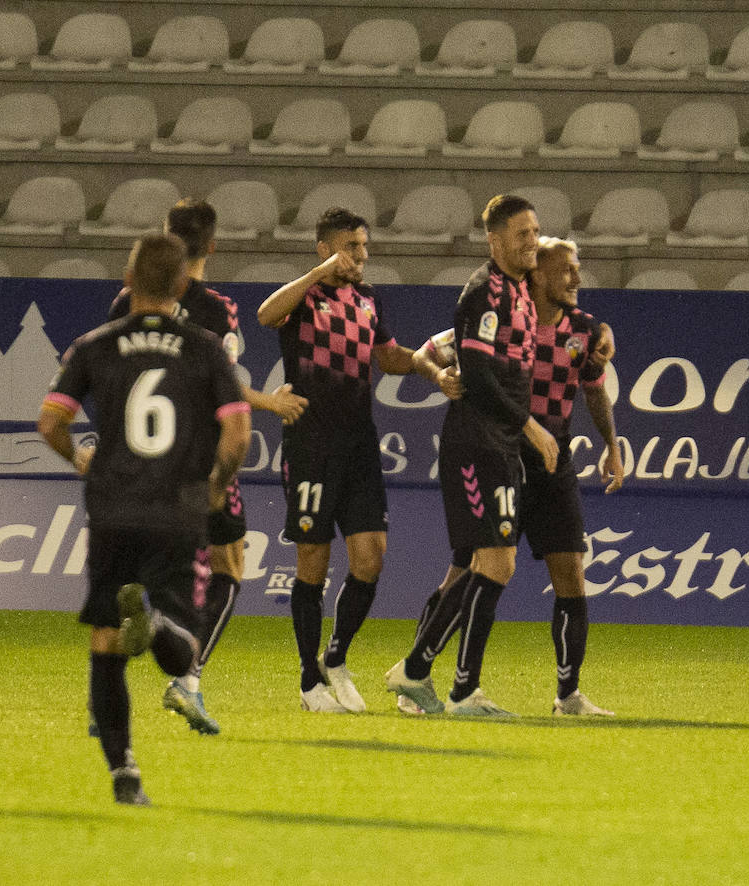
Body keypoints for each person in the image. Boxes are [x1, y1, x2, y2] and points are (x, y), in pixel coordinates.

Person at [40, 232, 250, 805]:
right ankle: (157, 627)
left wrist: (80, 457)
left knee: (105, 644)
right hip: (177, 512)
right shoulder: (206, 348)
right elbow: (238, 431)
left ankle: (124, 774)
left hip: (112, 509)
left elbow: (50, 422)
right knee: (183, 644)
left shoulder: (94, 345)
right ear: (182, 285)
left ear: (128, 282)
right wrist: (216, 484)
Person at [391, 236, 624, 717]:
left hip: (552, 455)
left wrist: (611, 446)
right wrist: (441, 377)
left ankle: (567, 696)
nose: (577, 278)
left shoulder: (583, 331)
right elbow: (423, 354)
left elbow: (595, 391)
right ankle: (420, 679)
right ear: (537, 273)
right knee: (473, 568)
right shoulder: (499, 319)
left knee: (570, 572)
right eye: (567, 270)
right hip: (497, 448)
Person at [107, 198, 307, 735]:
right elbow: (225, 386)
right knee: (228, 566)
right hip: (198, 454)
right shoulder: (218, 310)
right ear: (212, 246)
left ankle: (144, 605)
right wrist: (271, 403)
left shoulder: (129, 301)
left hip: (138, 455)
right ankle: (186, 678)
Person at [257, 207, 456, 713]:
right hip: (310, 444)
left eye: (365, 246)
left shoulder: (368, 300)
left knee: (371, 556)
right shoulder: (305, 296)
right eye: (352, 246)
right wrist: (319, 275)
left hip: (359, 443)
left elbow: (386, 355)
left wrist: (430, 363)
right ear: (325, 249)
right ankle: (308, 682)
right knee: (313, 562)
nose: (363, 255)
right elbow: (265, 314)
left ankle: (336, 658)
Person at [384, 194, 558, 717]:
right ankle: (438, 680)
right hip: (476, 443)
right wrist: (531, 426)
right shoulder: (484, 294)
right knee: (493, 563)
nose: (532, 241)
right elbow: (479, 376)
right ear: (496, 239)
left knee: (488, 565)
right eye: (522, 234)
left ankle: (434, 677)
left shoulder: (519, 293)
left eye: (535, 231)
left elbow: (442, 347)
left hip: (496, 443)